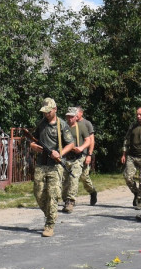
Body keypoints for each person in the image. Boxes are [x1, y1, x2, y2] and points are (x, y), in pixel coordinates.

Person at [29, 98, 75, 237]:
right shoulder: (42, 123)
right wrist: (32, 146)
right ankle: (51, 214)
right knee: (38, 193)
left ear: (54, 109)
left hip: (55, 165)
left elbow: (71, 144)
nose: (46, 114)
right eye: (44, 112)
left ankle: (49, 224)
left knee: (52, 195)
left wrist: (59, 153)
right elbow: (33, 139)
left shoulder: (62, 125)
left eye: (48, 112)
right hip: (41, 164)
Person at [60, 107, 93, 214]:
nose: (69, 119)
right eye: (68, 117)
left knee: (74, 178)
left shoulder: (82, 126)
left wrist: (82, 148)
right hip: (66, 158)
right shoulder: (63, 127)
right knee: (64, 180)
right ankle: (65, 200)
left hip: (78, 158)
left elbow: (88, 141)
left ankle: (70, 201)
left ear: (75, 117)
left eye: (71, 117)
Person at [119, 107, 141, 208]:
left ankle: (140, 199)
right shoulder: (133, 125)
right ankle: (136, 193)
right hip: (132, 155)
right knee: (127, 177)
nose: (138, 116)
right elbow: (126, 140)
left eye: (140, 114)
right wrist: (123, 154)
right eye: (137, 114)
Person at [76, 105, 99, 205]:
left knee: (84, 177)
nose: (74, 115)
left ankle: (92, 192)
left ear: (81, 113)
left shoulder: (87, 124)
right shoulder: (71, 122)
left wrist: (89, 155)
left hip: (84, 154)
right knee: (70, 177)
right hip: (72, 155)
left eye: (76, 112)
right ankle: (68, 199)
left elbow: (91, 141)